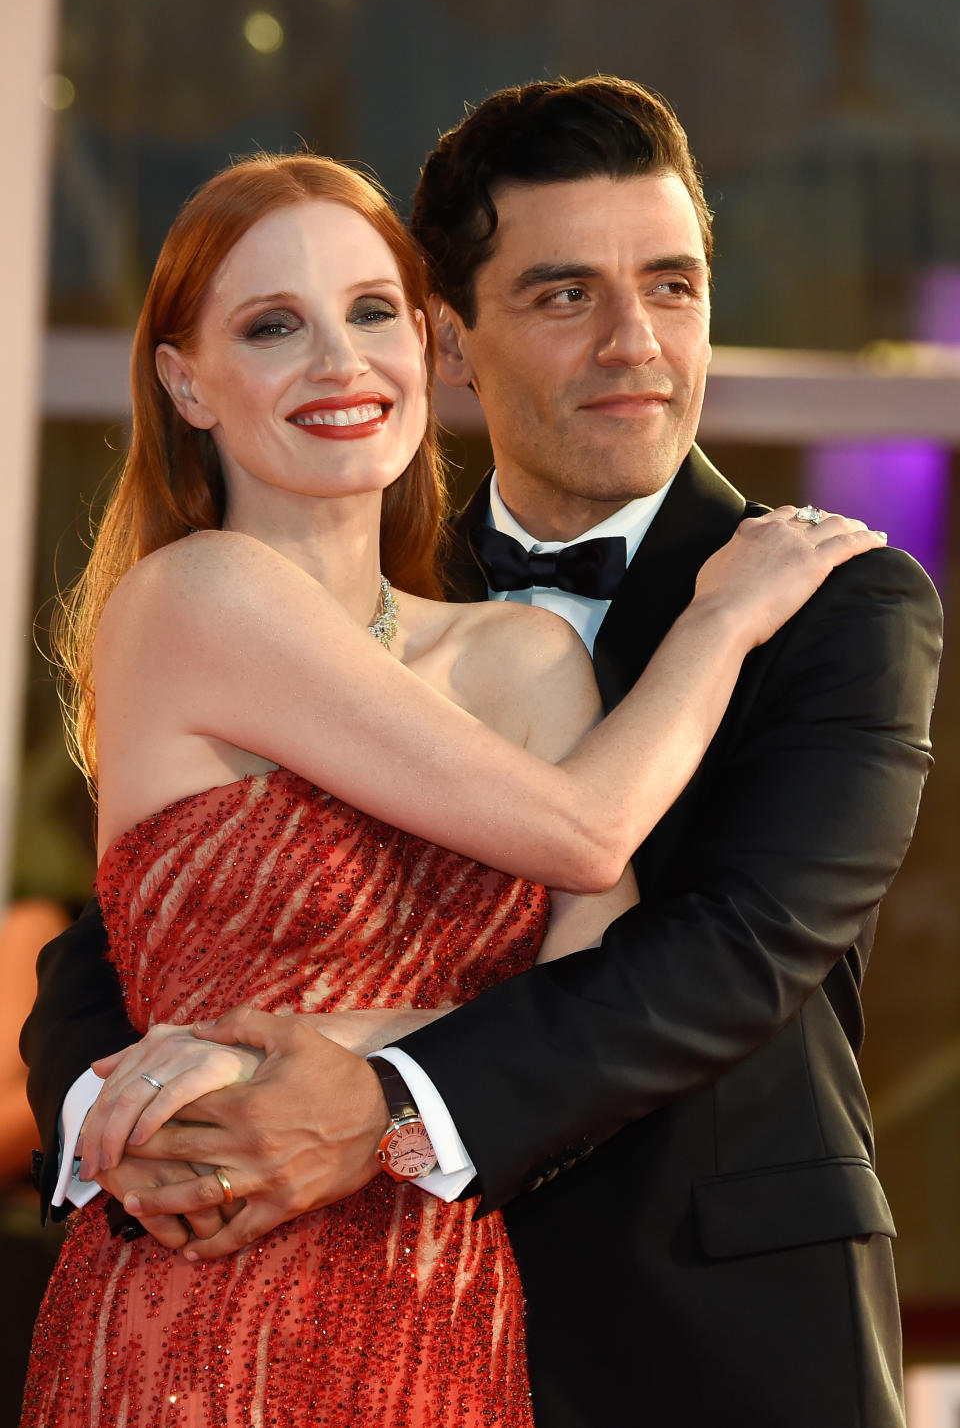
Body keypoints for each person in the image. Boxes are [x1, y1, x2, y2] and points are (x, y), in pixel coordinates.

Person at [20, 77, 940, 1426]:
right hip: (273, 1285)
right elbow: (120, 933)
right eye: (567, 293)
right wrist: (124, 1113)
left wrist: (367, 1083)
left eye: (673, 284)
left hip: (706, 1335)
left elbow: (733, 947)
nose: (636, 340)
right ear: (455, 338)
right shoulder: (336, 613)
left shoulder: (832, 595)